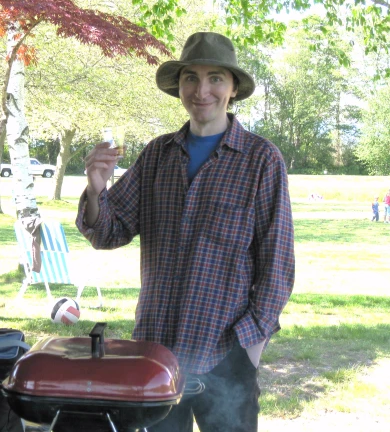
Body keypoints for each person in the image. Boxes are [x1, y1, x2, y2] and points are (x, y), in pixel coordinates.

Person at [77, 32, 295, 432]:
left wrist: (252, 342)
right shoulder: (157, 155)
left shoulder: (261, 160)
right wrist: (96, 188)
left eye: (215, 78)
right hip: (156, 351)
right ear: (179, 86)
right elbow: (108, 232)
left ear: (232, 89)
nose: (202, 90)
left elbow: (277, 263)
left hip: (225, 350)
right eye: (191, 78)